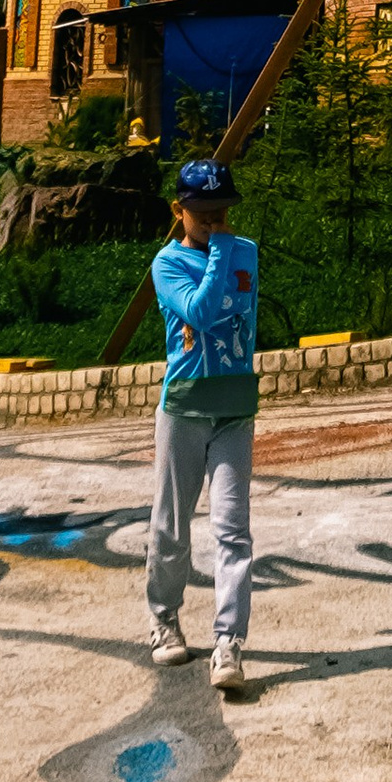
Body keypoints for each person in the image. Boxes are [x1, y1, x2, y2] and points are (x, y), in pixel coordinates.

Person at [147, 157, 260, 691]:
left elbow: (241, 314)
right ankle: (164, 618)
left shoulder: (249, 255)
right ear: (179, 211)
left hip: (235, 406)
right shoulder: (166, 265)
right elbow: (202, 311)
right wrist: (217, 253)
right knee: (172, 525)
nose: (215, 222)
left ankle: (229, 643)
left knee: (232, 530)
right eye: (202, 213)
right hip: (185, 407)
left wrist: (224, 251)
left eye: (222, 212)